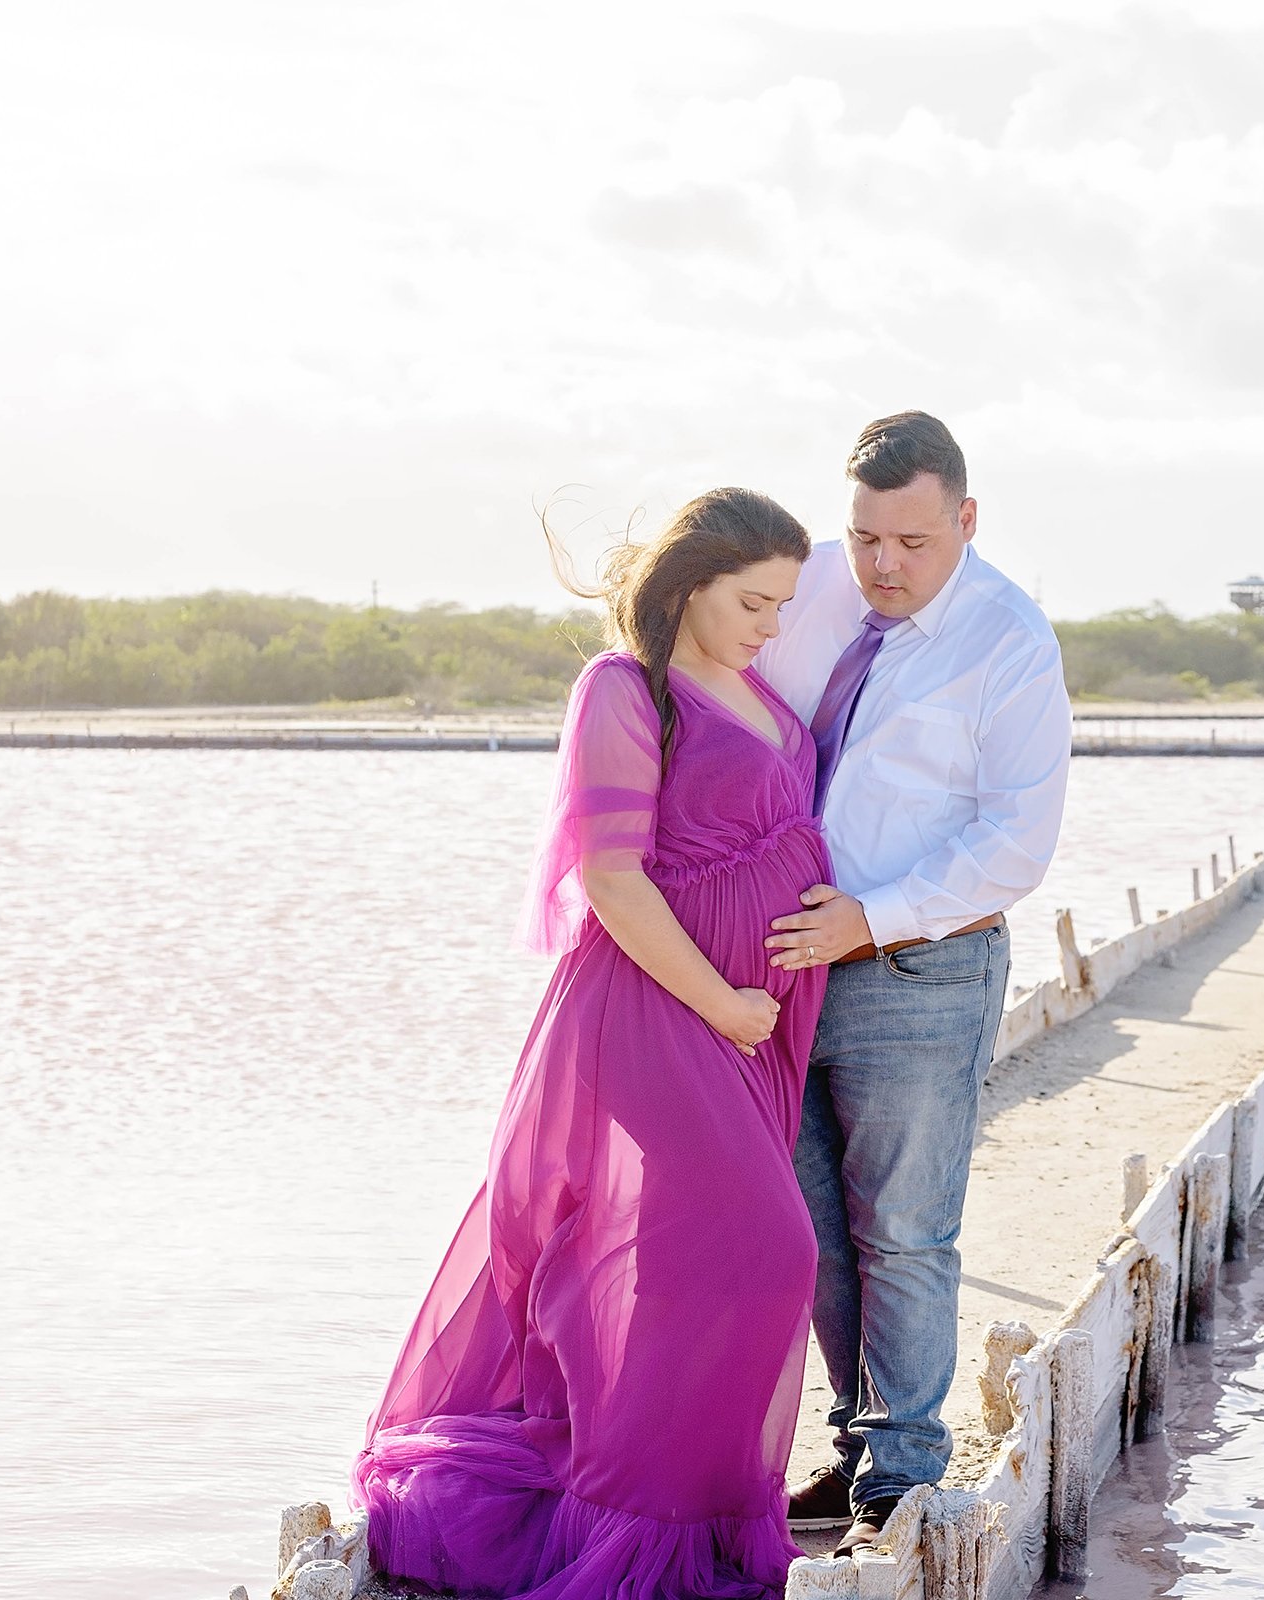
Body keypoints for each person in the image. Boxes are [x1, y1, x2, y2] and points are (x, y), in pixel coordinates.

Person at [351, 488, 831, 1599]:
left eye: (784, 604)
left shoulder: (757, 690)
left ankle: (693, 1517)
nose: (772, 623)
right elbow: (614, 879)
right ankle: (637, 1524)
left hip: (750, 1022)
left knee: (685, 1261)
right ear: (688, 584)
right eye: (755, 600)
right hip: (661, 1009)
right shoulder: (625, 688)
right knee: (768, 1247)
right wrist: (721, 1001)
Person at [755, 412, 1070, 1556]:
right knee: (812, 1228)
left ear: (966, 521)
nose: (883, 564)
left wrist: (870, 918)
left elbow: (1016, 844)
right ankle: (852, 1448)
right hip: (788, 970)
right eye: (865, 536)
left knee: (903, 1227)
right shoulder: (820, 594)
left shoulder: (1009, 641)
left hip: (919, 969)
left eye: (913, 542)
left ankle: (903, 1474)